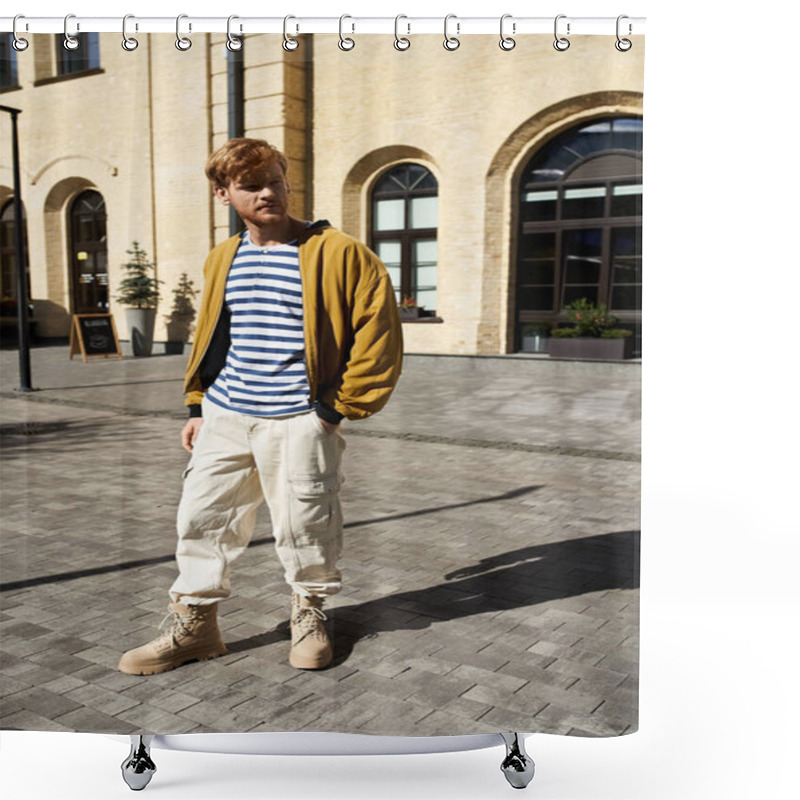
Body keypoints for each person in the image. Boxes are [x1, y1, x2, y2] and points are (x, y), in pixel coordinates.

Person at [119, 138, 403, 675]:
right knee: (201, 519)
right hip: (226, 415)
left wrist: (333, 409)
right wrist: (198, 406)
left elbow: (378, 335)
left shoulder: (340, 254)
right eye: (252, 185)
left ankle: (310, 614)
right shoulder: (223, 257)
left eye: (276, 180)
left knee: (306, 523)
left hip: (299, 418)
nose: (269, 192)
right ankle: (196, 626)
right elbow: (214, 334)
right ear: (224, 195)